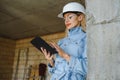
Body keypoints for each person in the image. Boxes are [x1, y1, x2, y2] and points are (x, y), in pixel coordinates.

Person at [41, 2, 87, 80]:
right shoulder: (61, 42)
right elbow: (54, 72)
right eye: (64, 18)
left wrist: (65, 56)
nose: (66, 21)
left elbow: (87, 68)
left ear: (80, 17)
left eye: (70, 17)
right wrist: (51, 61)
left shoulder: (86, 38)